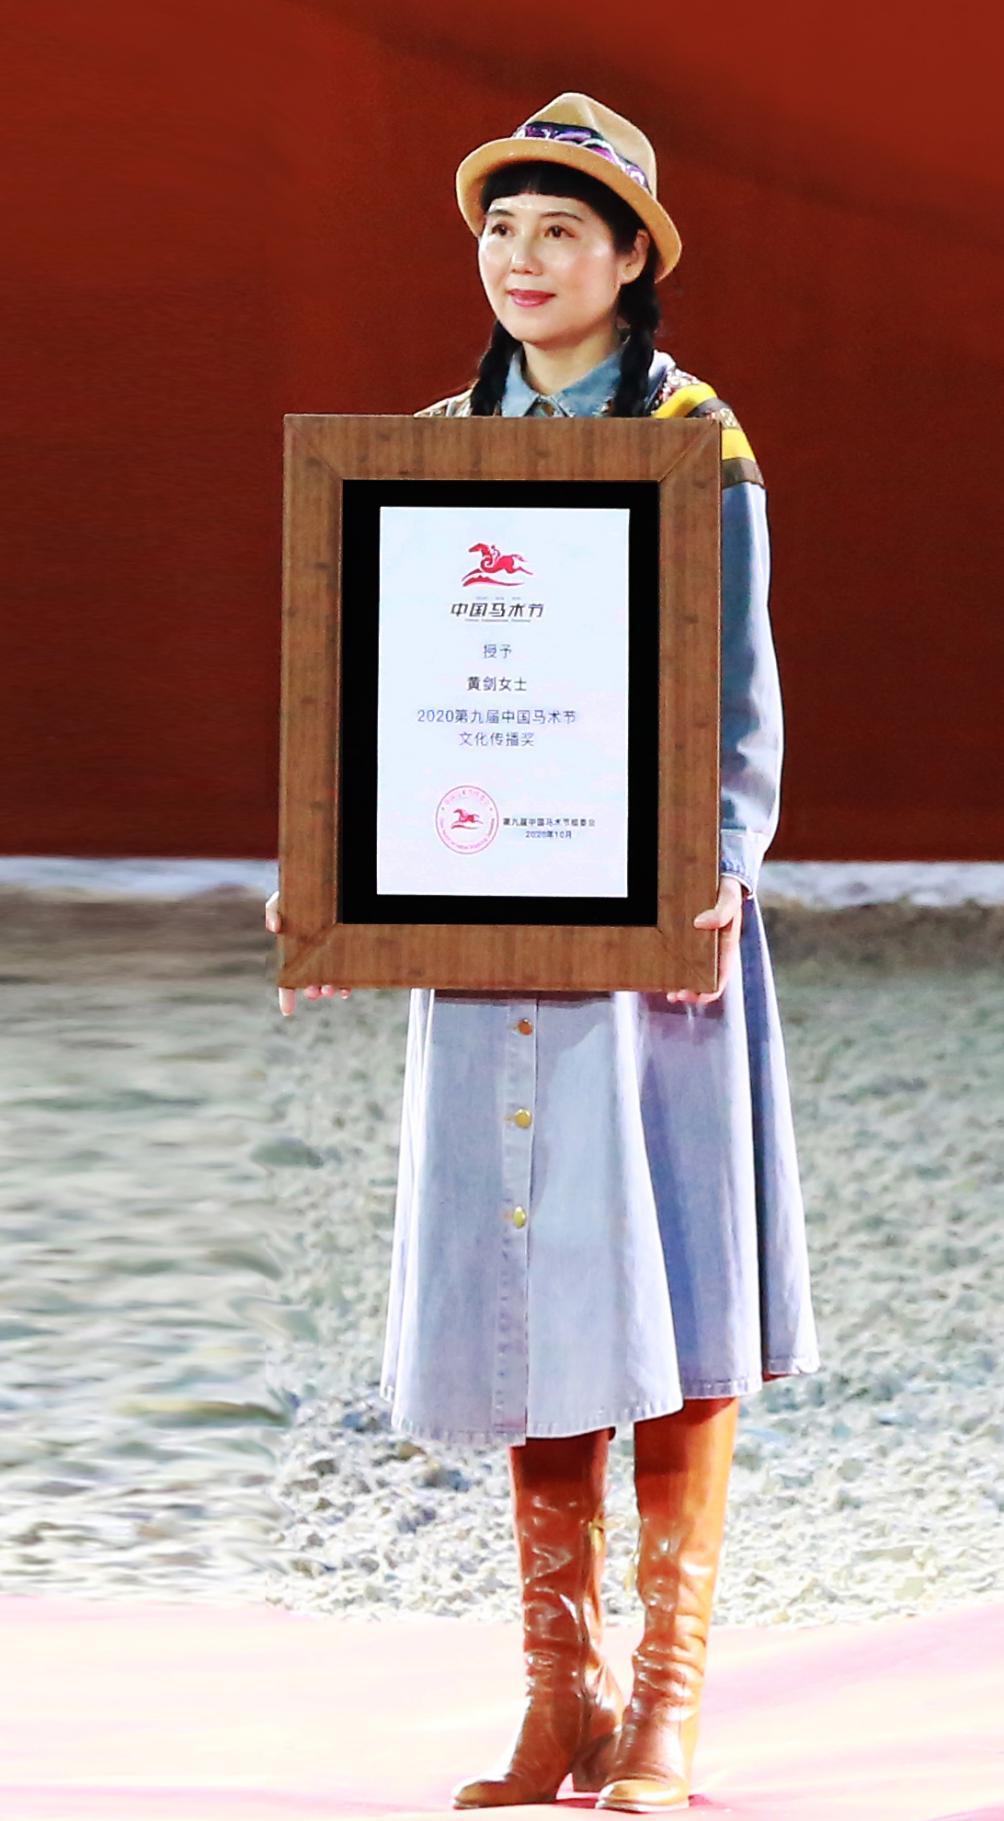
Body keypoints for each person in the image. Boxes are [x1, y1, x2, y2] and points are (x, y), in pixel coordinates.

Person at [267, 92, 821, 1814]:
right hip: (486, 924)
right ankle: (556, 1695)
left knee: (673, 1285)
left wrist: (719, 867)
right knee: (529, 1296)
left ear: (630, 258)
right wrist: (332, 883)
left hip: (656, 945)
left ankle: (662, 1707)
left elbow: (739, 699)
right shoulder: (439, 448)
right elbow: (384, 704)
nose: (523, 258)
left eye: (562, 229)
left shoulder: (695, 439)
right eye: (502, 228)